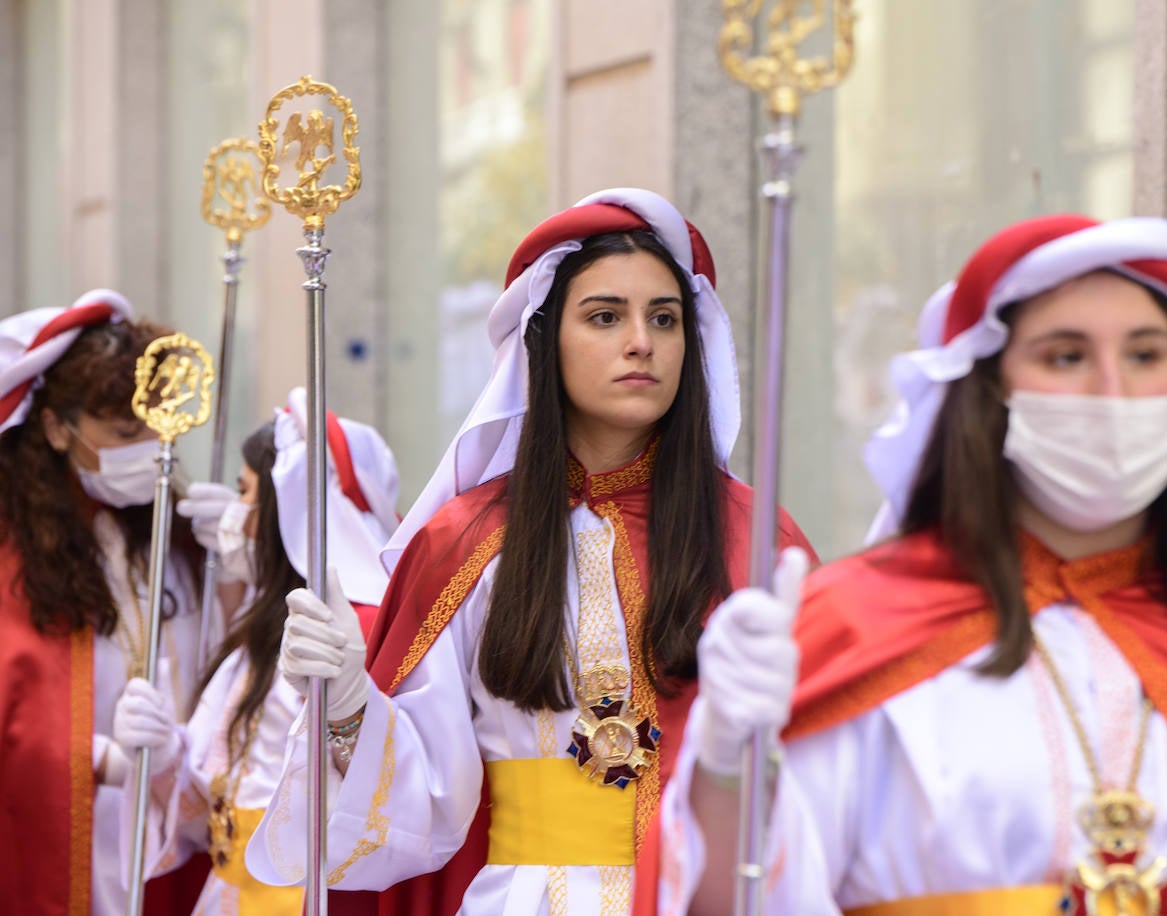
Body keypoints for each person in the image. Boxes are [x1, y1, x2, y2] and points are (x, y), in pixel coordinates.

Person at [661, 215, 1167, 915]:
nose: (1112, 390)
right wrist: (726, 768)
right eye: (1066, 356)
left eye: (1146, 354)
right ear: (990, 392)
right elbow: (738, 898)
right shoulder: (851, 630)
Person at [243, 187, 816, 915]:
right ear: (544, 341)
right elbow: (420, 810)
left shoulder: (754, 538)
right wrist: (350, 704)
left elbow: (823, 768)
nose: (640, 341)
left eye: (664, 319)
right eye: (605, 316)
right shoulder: (464, 542)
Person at [111, 387, 400, 914]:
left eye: (246, 493)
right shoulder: (258, 630)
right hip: (231, 894)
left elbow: (366, 793)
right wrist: (164, 755)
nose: (233, 510)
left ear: (287, 510)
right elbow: (219, 802)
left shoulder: (351, 632)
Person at [0, 290, 213, 915]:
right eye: (126, 432)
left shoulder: (172, 534)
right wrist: (99, 760)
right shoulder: (14, 556)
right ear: (55, 428)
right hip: (78, 826)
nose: (151, 447)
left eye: (159, 425)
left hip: (183, 819)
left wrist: (240, 569)